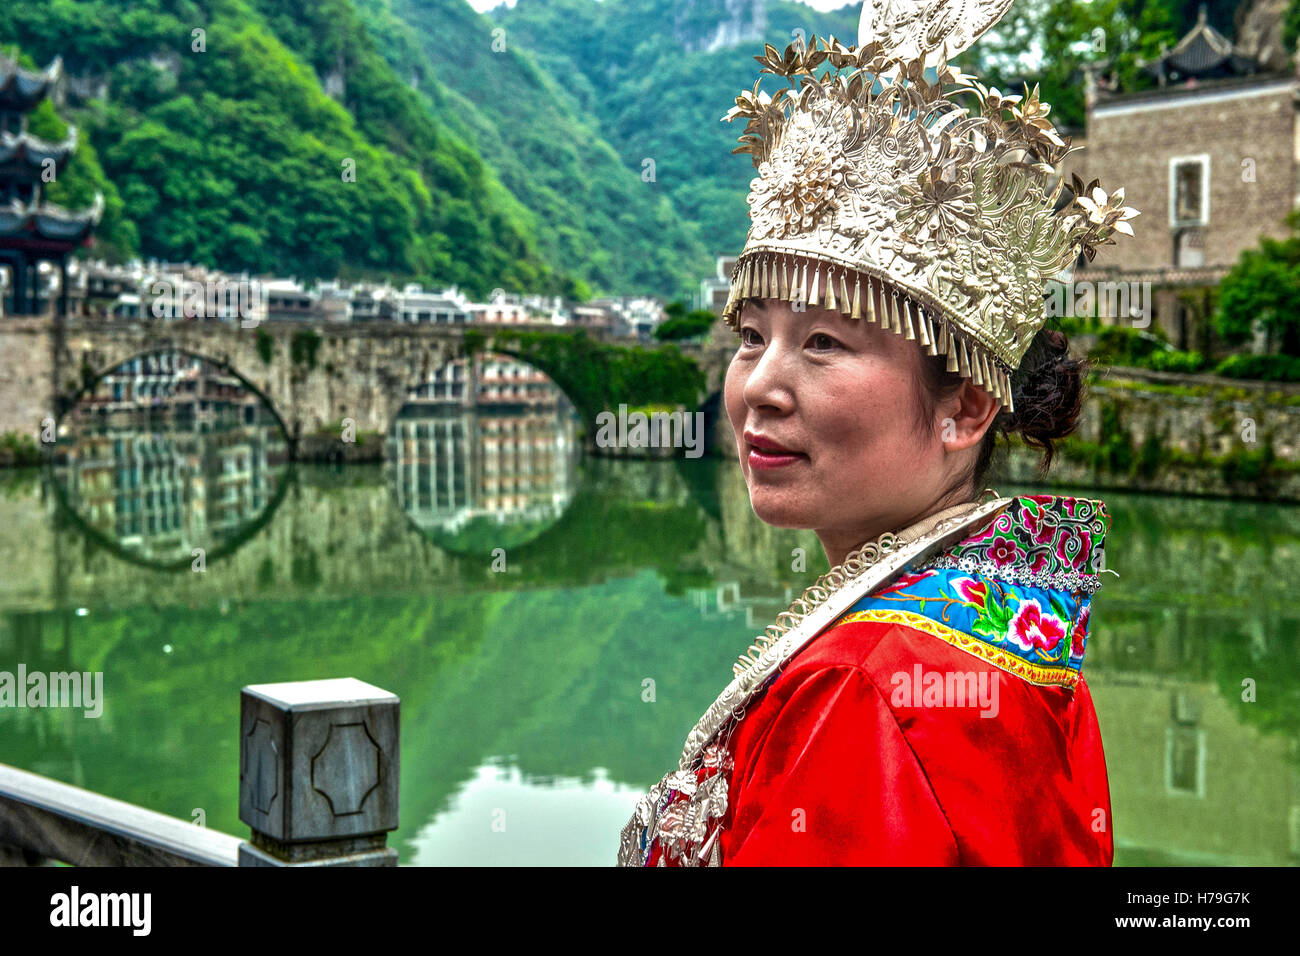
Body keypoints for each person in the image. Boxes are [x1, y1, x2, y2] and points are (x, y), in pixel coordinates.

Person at [618, 0, 1139, 866]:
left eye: (824, 342)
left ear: (966, 407)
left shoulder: (860, 685)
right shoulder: (1012, 632)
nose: (759, 389)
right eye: (752, 337)